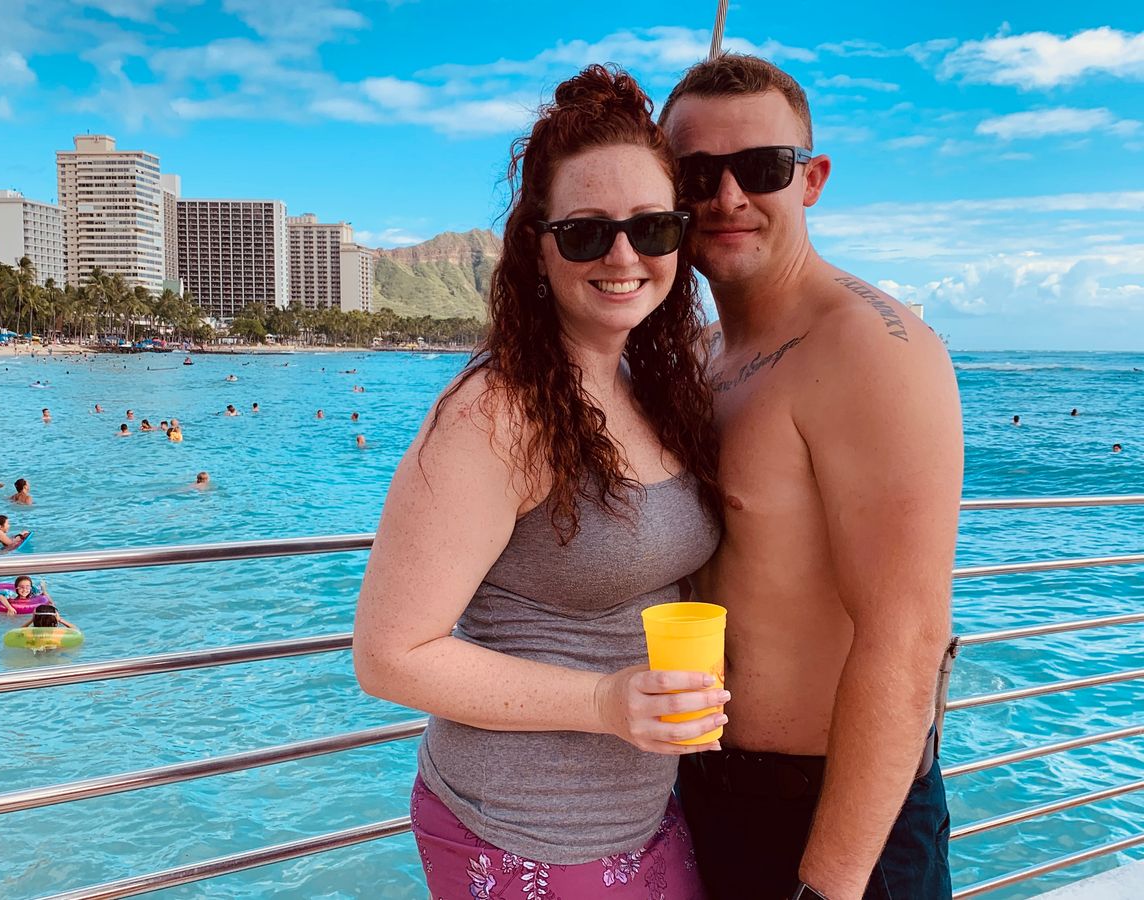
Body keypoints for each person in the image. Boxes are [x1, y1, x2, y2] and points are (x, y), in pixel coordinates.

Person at [353, 65, 723, 899]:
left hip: (647, 816)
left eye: (652, 228)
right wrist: (604, 701)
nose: (624, 255)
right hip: (521, 830)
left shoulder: (647, 386)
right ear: (538, 247)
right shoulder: (496, 414)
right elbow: (389, 656)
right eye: (587, 233)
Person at [659, 54, 961, 900]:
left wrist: (830, 884)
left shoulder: (868, 350)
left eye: (761, 167)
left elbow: (907, 634)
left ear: (811, 179)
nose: (727, 197)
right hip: (707, 795)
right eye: (696, 173)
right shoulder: (703, 357)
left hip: (836, 822)